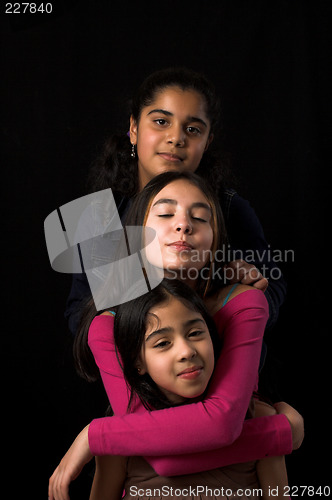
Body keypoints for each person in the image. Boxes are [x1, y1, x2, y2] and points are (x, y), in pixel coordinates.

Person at [48, 172, 303, 500]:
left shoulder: (244, 303)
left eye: (199, 217)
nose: (183, 225)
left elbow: (222, 424)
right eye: (166, 214)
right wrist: (280, 433)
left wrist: (96, 436)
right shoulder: (108, 325)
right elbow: (163, 459)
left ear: (215, 240)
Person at [64, 67, 286, 339]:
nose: (176, 138)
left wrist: (240, 290)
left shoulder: (230, 209)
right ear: (133, 129)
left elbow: (273, 288)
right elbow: (78, 314)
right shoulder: (98, 215)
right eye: (161, 122)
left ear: (206, 143)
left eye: (193, 129)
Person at [88, 279, 288, 500]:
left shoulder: (258, 417)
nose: (186, 351)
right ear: (138, 362)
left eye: (195, 333)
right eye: (163, 343)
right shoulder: (120, 432)